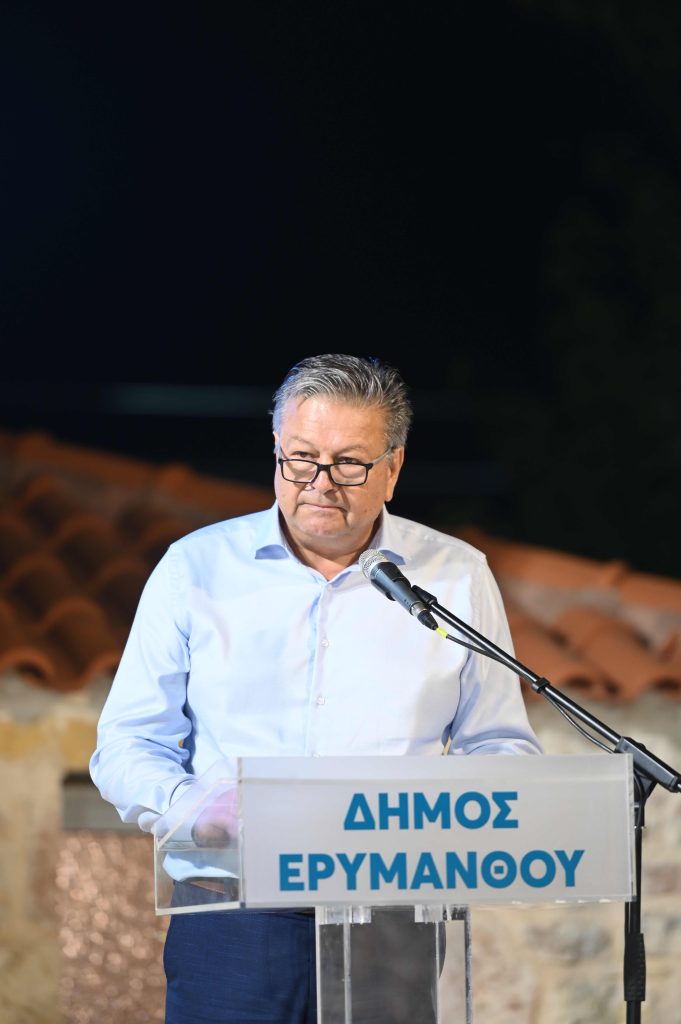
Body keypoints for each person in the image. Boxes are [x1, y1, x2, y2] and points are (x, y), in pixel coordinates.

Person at [90, 353, 543, 1024]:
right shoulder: (196, 568)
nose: (320, 483)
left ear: (393, 468)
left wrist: (439, 825)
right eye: (300, 458)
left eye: (349, 463)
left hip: (393, 915)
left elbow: (501, 744)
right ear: (276, 450)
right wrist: (195, 811)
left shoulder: (453, 576)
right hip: (231, 906)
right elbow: (127, 743)